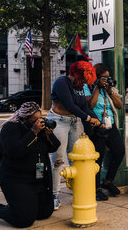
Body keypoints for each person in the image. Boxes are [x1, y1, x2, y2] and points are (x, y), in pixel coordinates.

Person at [0, 102, 60, 228]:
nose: (39, 122)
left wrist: (48, 135)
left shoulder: (40, 129)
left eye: (40, 118)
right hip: (16, 180)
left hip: (37, 179)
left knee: (44, 213)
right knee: (24, 220)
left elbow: (54, 147)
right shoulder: (10, 128)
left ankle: (21, 205)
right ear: (25, 118)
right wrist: (33, 132)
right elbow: (15, 151)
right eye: (35, 120)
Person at [48, 61, 101, 210]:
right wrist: (89, 119)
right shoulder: (61, 82)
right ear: (76, 74)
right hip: (59, 121)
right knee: (58, 160)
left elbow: (83, 106)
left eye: (86, 81)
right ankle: (54, 195)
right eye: (83, 80)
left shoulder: (80, 86)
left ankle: (78, 192)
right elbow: (70, 105)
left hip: (75, 121)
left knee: (76, 160)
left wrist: (99, 121)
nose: (84, 83)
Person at [84, 63, 125, 201]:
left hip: (110, 125)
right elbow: (90, 105)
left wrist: (109, 91)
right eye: (104, 78)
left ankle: (108, 181)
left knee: (119, 151)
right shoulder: (88, 87)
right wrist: (97, 87)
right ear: (96, 78)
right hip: (96, 126)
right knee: (98, 158)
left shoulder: (109, 89)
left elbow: (119, 105)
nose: (107, 80)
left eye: (108, 77)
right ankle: (95, 189)